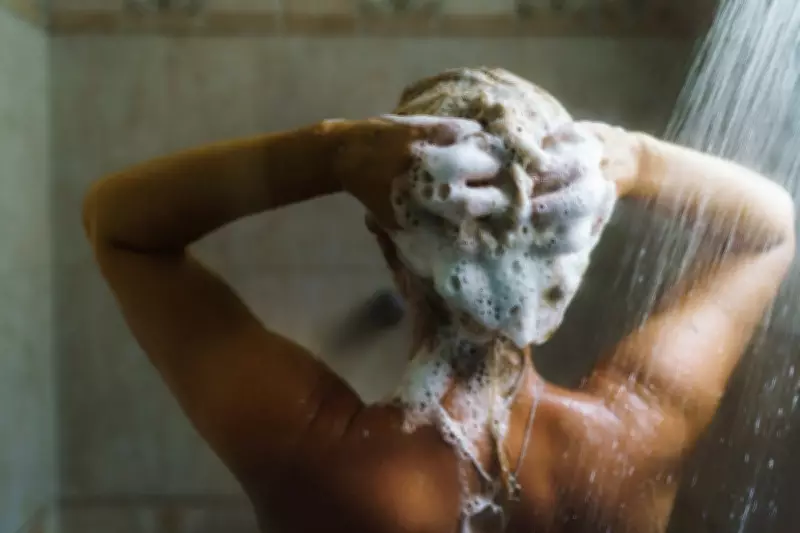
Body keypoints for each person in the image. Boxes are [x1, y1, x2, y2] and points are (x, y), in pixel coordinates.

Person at [82, 69, 795, 533]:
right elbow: (771, 230)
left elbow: (120, 228)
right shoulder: (636, 428)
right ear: (566, 255)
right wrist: (631, 157)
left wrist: (333, 152)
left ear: (390, 247)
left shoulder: (313, 453)